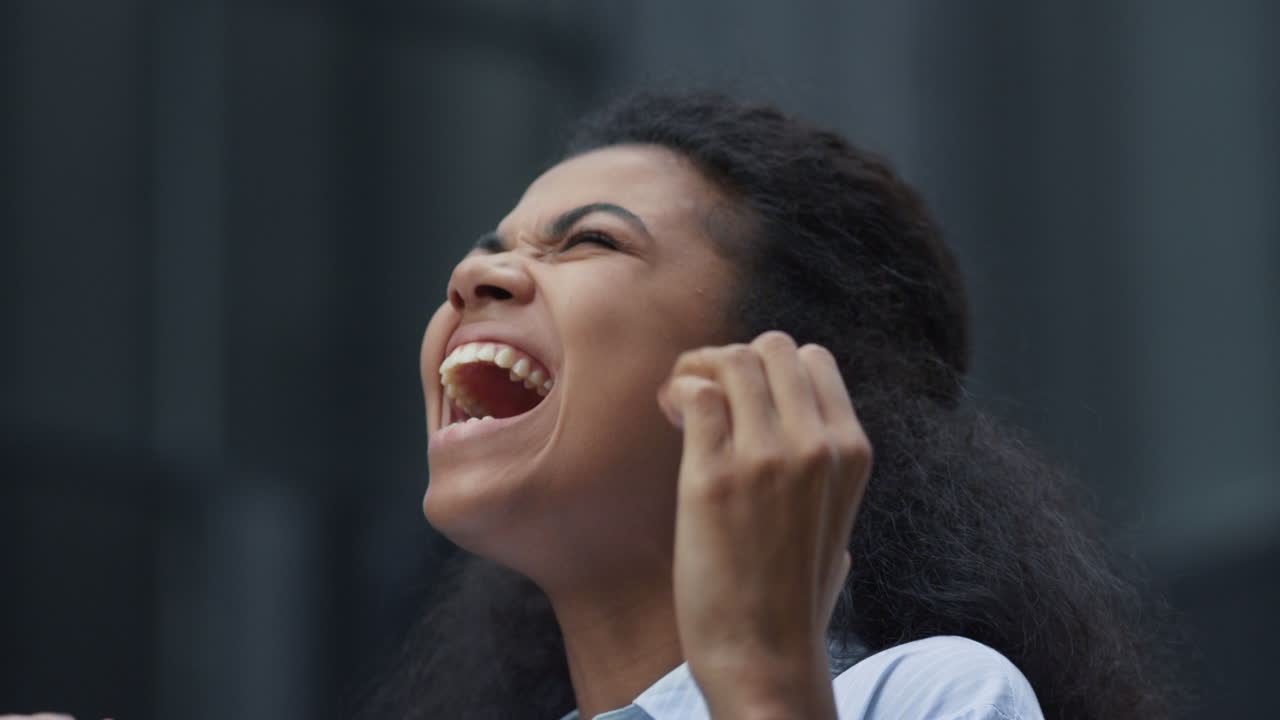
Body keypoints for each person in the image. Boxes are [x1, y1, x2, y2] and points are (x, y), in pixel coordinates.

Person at [355, 90, 1178, 720]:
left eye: (590, 241)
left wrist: (760, 678)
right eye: (487, 250)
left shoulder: (929, 695)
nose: (472, 278)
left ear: (786, 377)